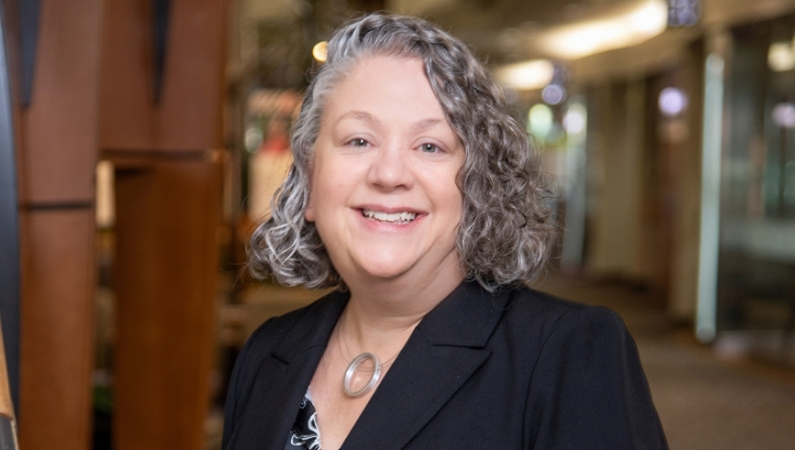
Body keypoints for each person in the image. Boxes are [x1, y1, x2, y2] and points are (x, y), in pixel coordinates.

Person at [223, 13, 668, 450]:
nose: (389, 173)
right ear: (310, 179)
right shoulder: (268, 352)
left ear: (478, 187)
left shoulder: (568, 354)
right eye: (359, 140)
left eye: (430, 146)